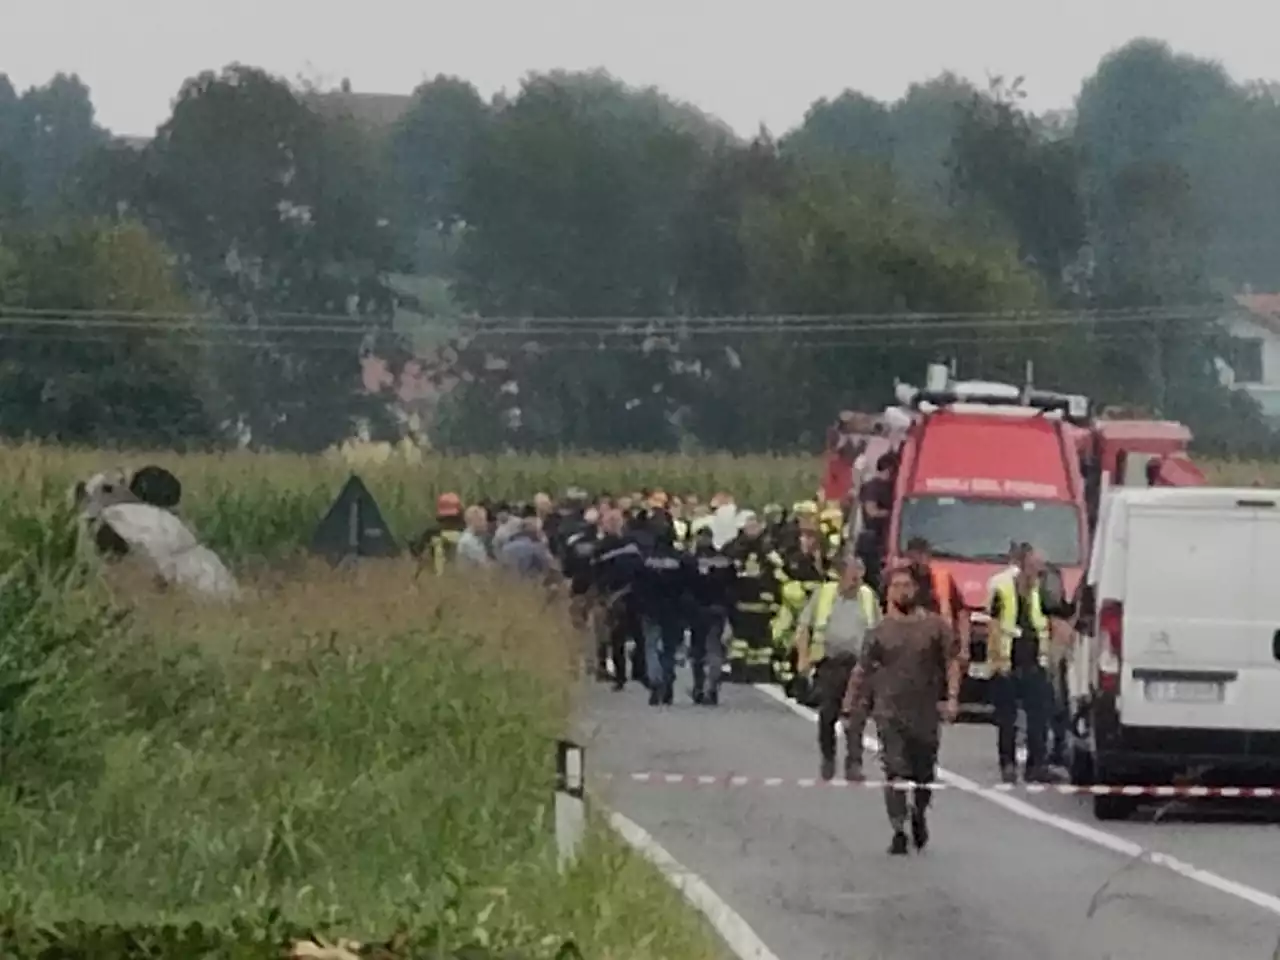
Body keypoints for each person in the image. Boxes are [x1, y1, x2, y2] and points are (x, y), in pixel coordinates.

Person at [842, 563, 962, 855]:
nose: (901, 591)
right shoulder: (879, 631)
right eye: (895, 586)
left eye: (906, 585)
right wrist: (851, 704)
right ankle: (898, 828)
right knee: (894, 770)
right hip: (889, 713)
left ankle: (919, 812)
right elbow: (862, 670)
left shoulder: (935, 627)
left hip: (924, 713)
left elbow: (951, 662)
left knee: (923, 771)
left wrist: (952, 697)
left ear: (916, 589)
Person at [793, 552, 882, 781]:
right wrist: (803, 658)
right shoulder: (824, 594)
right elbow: (804, 627)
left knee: (857, 717)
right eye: (853, 575)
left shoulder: (868, 596)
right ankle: (828, 756)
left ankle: (854, 764)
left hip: (859, 666)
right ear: (841, 575)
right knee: (828, 716)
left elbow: (878, 631)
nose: (858, 580)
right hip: (830, 663)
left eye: (860, 575)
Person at [986, 545, 1058, 784]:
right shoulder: (1003, 587)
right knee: (1007, 718)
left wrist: (1049, 660)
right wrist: (998, 661)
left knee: (1039, 716)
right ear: (1023, 565)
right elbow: (994, 625)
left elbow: (1050, 621)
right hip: (1009, 660)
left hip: (1035, 660)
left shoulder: (1042, 590)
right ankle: (1007, 763)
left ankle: (1036, 766)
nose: (1038, 572)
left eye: (1040, 568)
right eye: (1035, 566)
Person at [635, 510, 693, 706]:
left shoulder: (646, 559)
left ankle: (655, 681)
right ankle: (667, 682)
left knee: (650, 646)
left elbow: (639, 584)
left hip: (650, 608)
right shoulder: (680, 559)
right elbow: (687, 585)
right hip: (673, 609)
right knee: (668, 648)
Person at [591, 507, 646, 691]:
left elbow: (596, 573)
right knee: (638, 635)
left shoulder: (601, 548)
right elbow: (641, 570)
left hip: (614, 597)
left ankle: (620, 676)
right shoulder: (633, 545)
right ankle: (640, 670)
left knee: (617, 638)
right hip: (634, 594)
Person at [689, 524, 735, 706]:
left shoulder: (690, 560)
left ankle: (699, 687)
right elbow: (732, 586)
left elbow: (685, 586)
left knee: (698, 651)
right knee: (714, 650)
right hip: (717, 608)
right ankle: (711, 687)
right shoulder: (723, 560)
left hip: (697, 610)